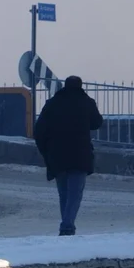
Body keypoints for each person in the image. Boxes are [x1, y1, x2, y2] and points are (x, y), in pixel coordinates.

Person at [34, 75, 103, 236]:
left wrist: (46, 151)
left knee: (63, 193)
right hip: (80, 154)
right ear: (80, 86)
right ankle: (67, 226)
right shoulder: (86, 102)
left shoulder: (53, 103)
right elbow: (97, 123)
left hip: (57, 155)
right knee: (75, 193)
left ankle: (67, 224)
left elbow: (39, 131)